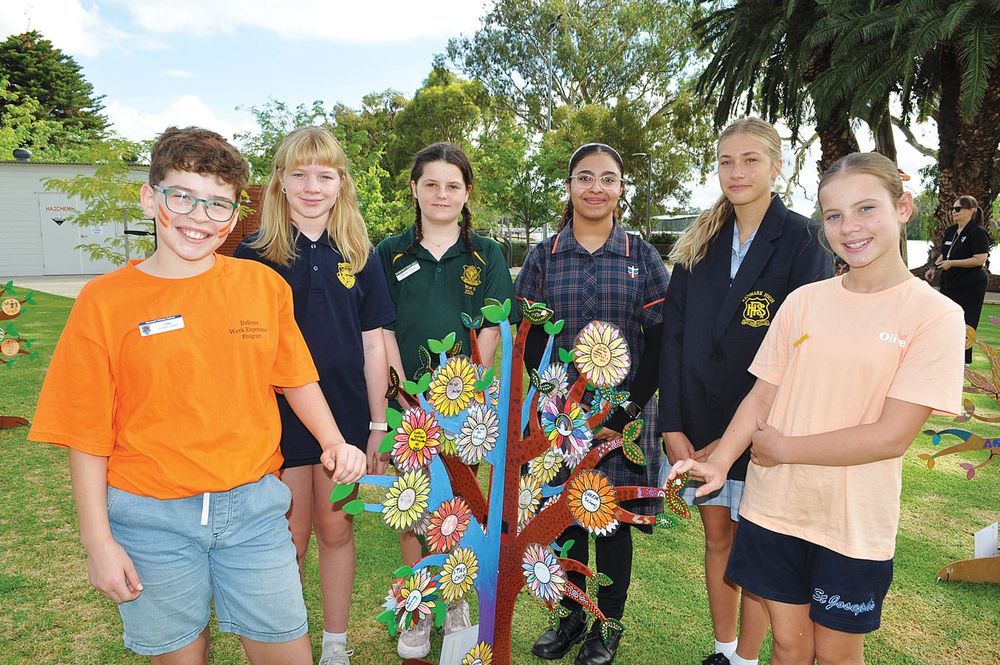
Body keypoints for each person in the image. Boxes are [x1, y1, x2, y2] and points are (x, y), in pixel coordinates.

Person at [27, 126, 367, 665]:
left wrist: (332, 440)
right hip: (150, 518)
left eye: (217, 205)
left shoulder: (261, 287)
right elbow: (85, 432)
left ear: (235, 217)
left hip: (255, 510)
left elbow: (296, 377)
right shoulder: (103, 302)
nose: (197, 216)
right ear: (150, 197)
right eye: (180, 196)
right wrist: (99, 542)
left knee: (286, 650)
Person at [670, 152, 964, 665]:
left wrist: (784, 449)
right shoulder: (804, 301)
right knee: (788, 644)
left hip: (852, 522)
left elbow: (892, 435)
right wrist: (718, 462)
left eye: (866, 209)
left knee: (834, 652)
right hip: (774, 509)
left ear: (904, 208)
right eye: (833, 215)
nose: (849, 228)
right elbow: (761, 394)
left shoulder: (934, 315)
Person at [657, 117, 832, 665]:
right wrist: (672, 424)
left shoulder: (804, 239)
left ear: (777, 167)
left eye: (751, 159)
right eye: (726, 161)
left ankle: (747, 659)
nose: (737, 171)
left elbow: (804, 351)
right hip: (699, 422)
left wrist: (752, 432)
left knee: (755, 556)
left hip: (764, 427)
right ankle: (723, 649)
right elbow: (674, 338)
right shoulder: (699, 239)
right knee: (718, 542)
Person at [235, 126, 395, 665]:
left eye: (324, 175)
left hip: (345, 416)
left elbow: (374, 343)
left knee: (335, 527)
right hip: (275, 414)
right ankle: (287, 642)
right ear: (279, 182)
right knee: (288, 539)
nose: (311, 186)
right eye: (299, 174)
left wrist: (377, 424)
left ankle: (335, 645)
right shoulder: (252, 254)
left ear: (341, 184)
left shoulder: (360, 252)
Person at [515, 142, 669, 665]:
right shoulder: (544, 255)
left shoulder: (641, 256)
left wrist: (620, 415)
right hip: (559, 417)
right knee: (565, 517)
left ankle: (608, 625)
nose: (596, 187)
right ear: (570, 186)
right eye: (585, 177)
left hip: (623, 420)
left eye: (607, 178)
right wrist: (562, 402)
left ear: (620, 189)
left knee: (610, 519)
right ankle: (569, 614)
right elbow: (529, 333)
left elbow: (660, 339)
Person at [374, 142, 517, 659]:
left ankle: (455, 604)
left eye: (452, 185)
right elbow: (382, 332)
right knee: (410, 510)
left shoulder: (489, 254)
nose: (441, 193)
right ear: (414, 188)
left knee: (455, 507)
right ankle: (417, 605)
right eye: (430, 183)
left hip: (462, 409)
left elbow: (490, 336)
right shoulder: (388, 252)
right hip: (405, 408)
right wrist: (402, 400)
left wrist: (460, 400)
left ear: (466, 192)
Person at [925, 194, 990, 364]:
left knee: (966, 321)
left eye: (958, 209)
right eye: (952, 209)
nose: (953, 212)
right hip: (950, 282)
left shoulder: (977, 233)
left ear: (971, 211)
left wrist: (952, 263)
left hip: (971, 284)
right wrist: (934, 267)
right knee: (946, 318)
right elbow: (945, 254)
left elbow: (979, 259)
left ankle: (964, 361)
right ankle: (945, 355)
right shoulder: (951, 231)